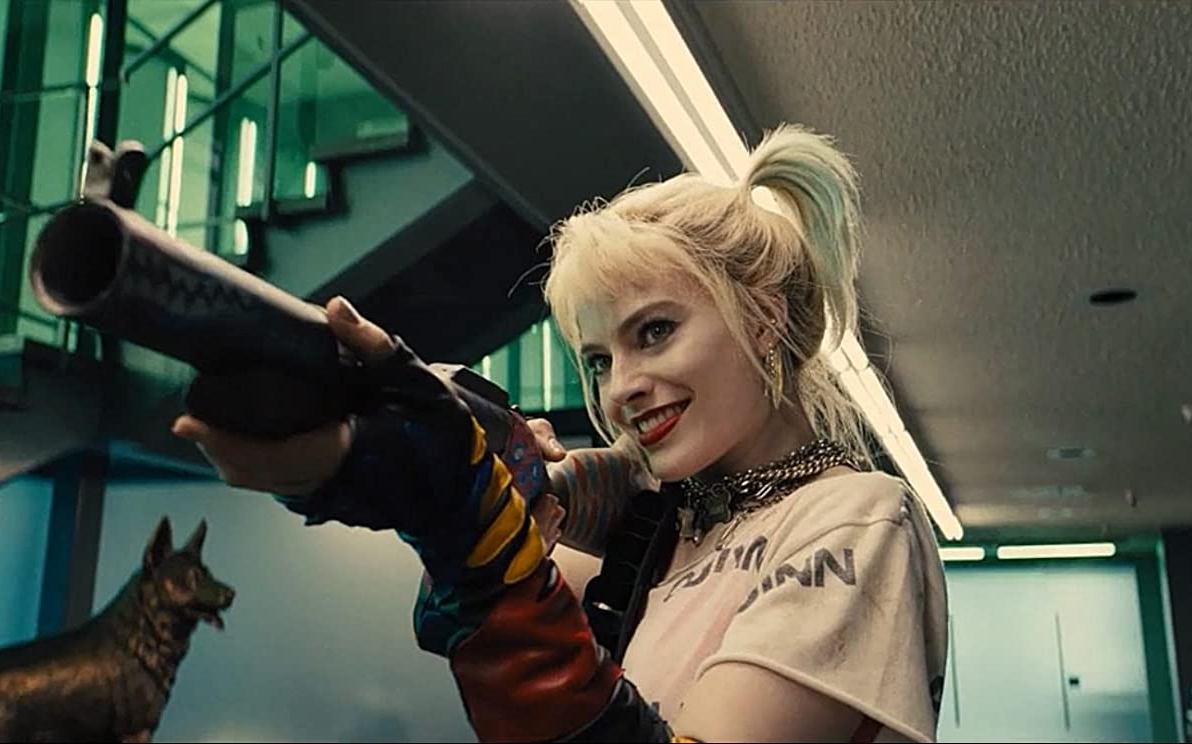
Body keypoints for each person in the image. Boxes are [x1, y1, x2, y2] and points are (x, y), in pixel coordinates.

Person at [172, 125, 949, 742]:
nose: (621, 386)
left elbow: (507, 598)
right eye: (599, 359)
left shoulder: (856, 519)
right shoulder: (656, 520)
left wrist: (479, 538)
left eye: (654, 331)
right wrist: (356, 462)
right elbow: (457, 608)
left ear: (764, 318)